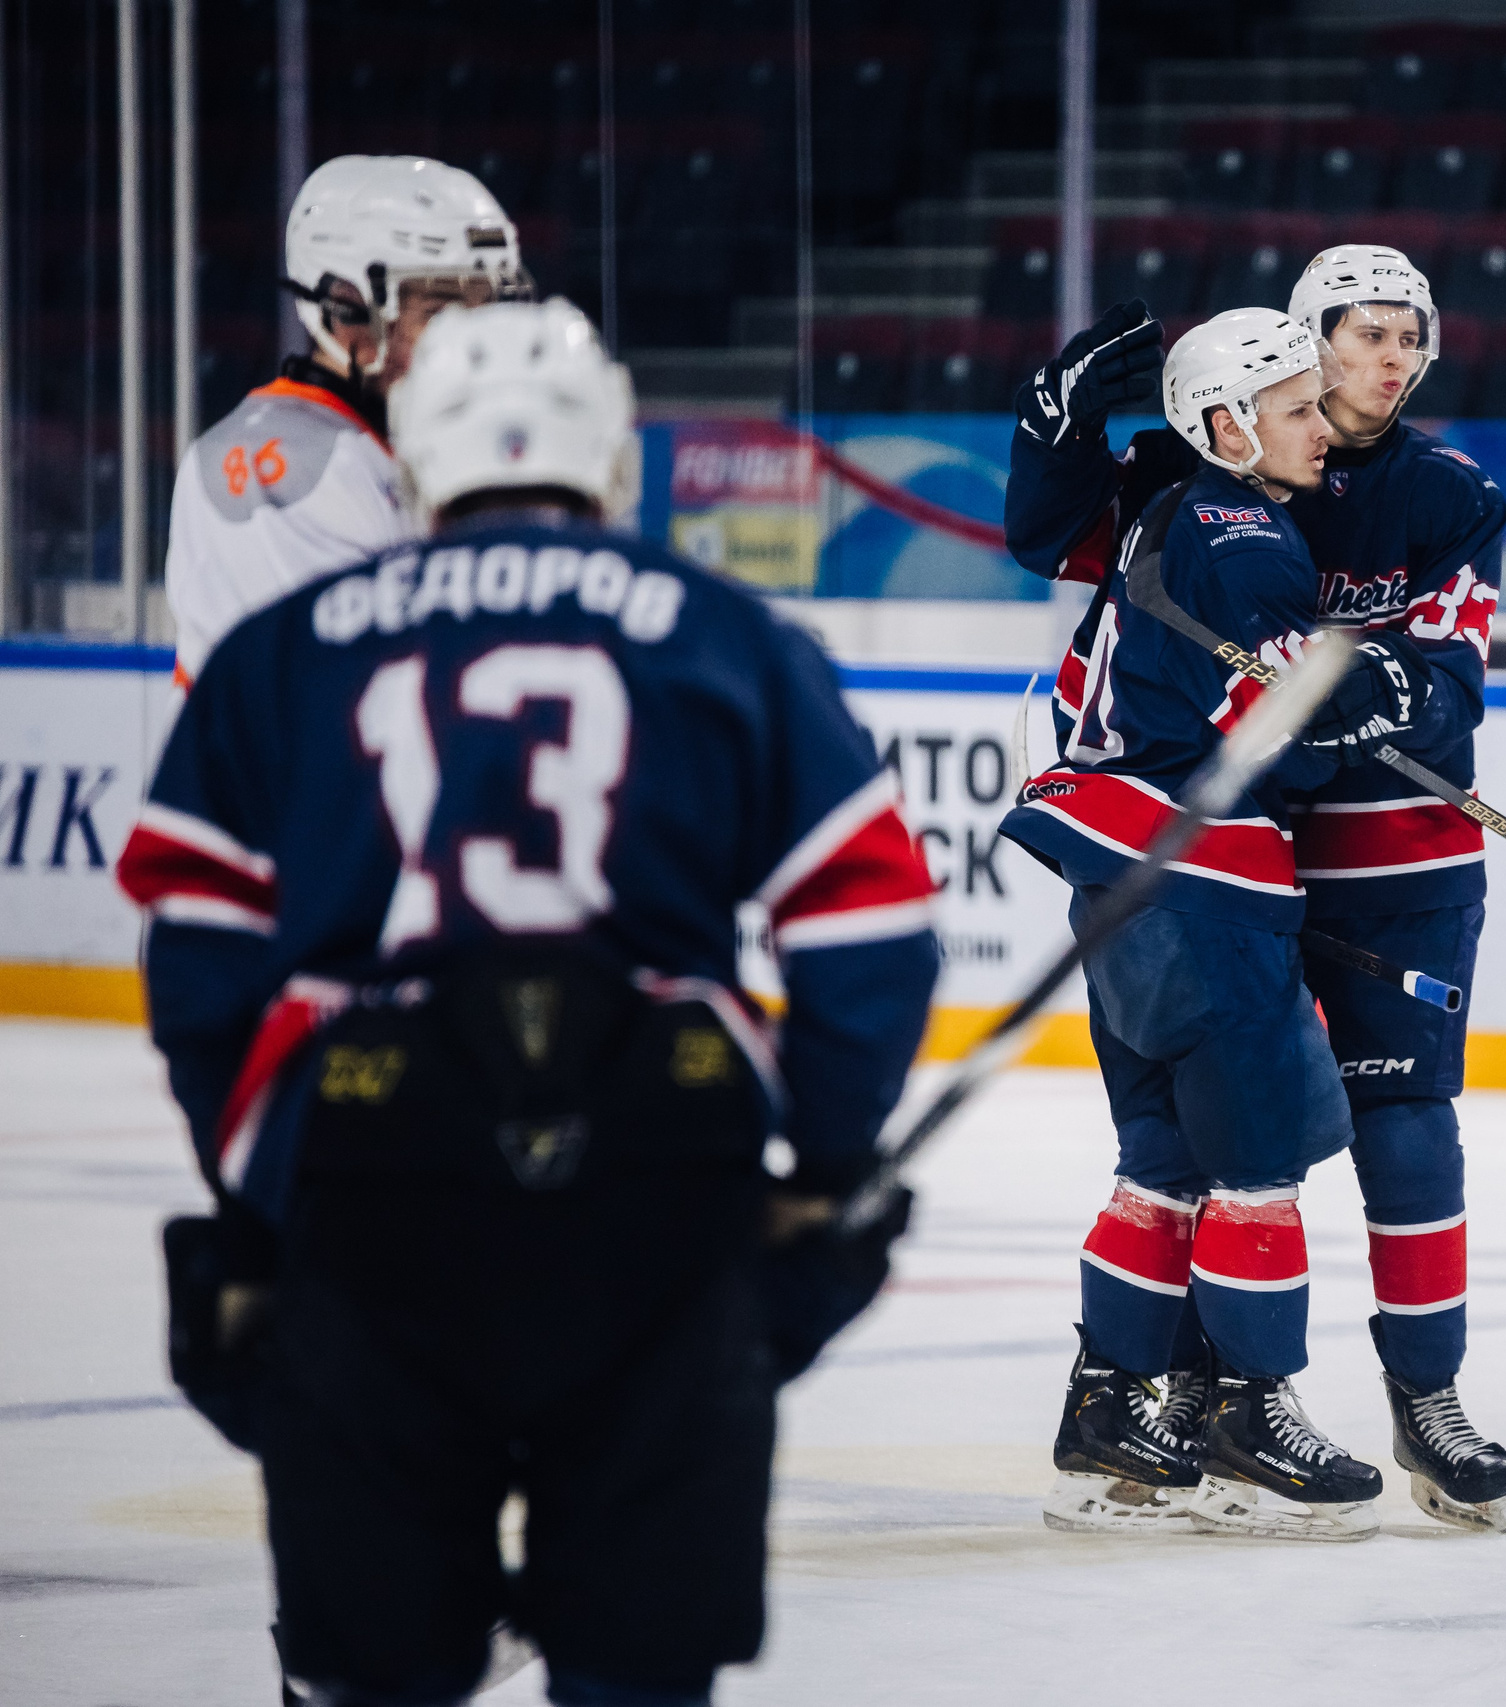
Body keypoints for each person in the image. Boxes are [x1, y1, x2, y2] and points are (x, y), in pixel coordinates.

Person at [116, 299, 939, 1706]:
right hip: (657, 1176)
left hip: (372, 1180)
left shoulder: (285, 646)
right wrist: (816, 1151)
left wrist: (260, 1176)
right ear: (614, 459)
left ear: (419, 463)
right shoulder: (730, 631)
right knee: (637, 1659)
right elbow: (866, 914)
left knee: (373, 1662)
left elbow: (197, 939)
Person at [1005, 248, 1506, 1536]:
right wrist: (1057, 437)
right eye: (1360, 335)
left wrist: (1380, 702)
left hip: (1376, 858)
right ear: (1298, 348)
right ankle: (1205, 1398)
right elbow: (1053, 542)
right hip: (1235, 851)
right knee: (1226, 1143)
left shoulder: (1445, 492)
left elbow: (1446, 690)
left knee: (1395, 1131)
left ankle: (1423, 1398)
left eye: (1412, 333)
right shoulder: (1211, 483)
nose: (1389, 359)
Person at [165, 154, 531, 685]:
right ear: (346, 309)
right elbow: (334, 708)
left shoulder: (406, 446)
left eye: (484, 308)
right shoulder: (283, 463)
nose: (471, 339)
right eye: (441, 312)